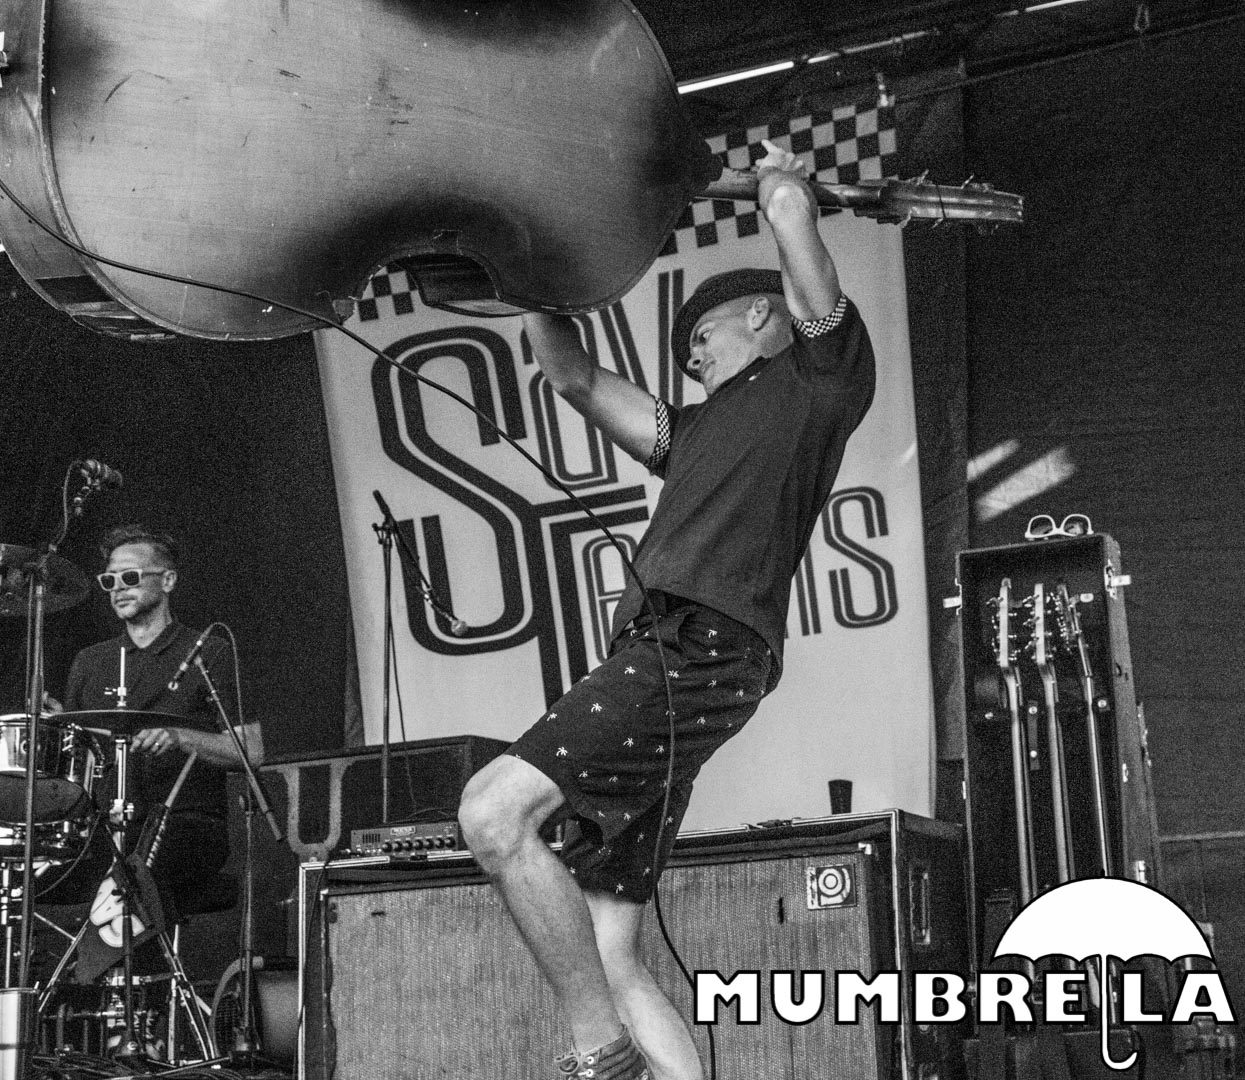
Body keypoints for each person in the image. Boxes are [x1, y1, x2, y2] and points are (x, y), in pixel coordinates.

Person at [457, 140, 877, 1080]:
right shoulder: (687, 431)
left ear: (761, 313)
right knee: (610, 942)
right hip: (674, 653)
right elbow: (571, 376)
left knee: (492, 812)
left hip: (701, 644)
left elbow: (788, 217)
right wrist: (531, 276)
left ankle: (597, 1052)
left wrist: (778, 179)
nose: (689, 355)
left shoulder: (819, 380)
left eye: (701, 336)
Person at [45, 524, 263, 921]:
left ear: (168, 580)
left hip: (184, 824)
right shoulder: (90, 662)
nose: (117, 588)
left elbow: (250, 750)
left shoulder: (208, 652)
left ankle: (124, 956)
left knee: (131, 881)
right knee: (32, 873)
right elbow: (79, 755)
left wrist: (180, 737)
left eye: (130, 577)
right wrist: (57, 728)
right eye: (109, 580)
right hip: (102, 825)